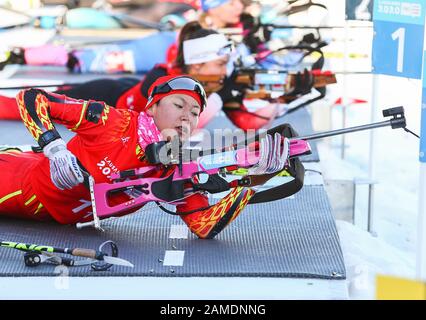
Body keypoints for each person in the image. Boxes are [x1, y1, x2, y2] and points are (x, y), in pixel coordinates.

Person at [0, 75, 290, 239]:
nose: (186, 117)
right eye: (178, 105)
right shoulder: (110, 121)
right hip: (17, 182)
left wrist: (254, 180)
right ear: (152, 107)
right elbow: (30, 97)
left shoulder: (176, 167)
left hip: (56, 224)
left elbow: (205, 224)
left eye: (194, 113)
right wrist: (55, 149)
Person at [0, 22, 278, 130]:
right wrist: (219, 94)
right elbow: (175, 119)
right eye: (220, 63)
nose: (224, 70)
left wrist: (286, 97)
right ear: (197, 66)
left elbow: (250, 123)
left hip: (121, 94)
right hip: (105, 98)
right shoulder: (160, 76)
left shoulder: (218, 85)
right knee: (30, 105)